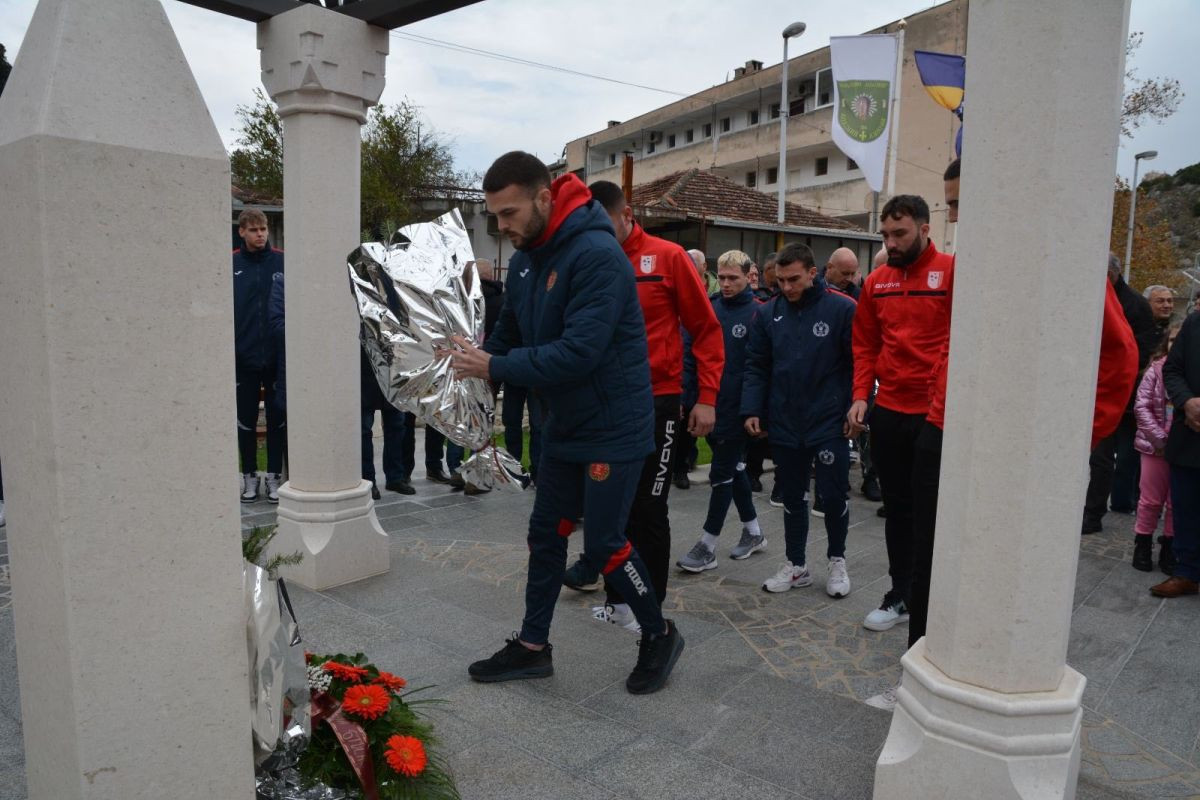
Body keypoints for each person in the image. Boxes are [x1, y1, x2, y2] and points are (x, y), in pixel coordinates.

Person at [866, 159, 1138, 712]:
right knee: (929, 557)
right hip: (941, 429)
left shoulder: (1056, 251)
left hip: (1007, 445)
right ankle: (919, 678)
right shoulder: (969, 262)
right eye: (954, 204)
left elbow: (1118, 354)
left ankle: (970, 681)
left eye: (965, 203)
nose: (958, 216)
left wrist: (1071, 440)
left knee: (989, 565)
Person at [450, 151, 683, 694]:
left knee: (602, 545)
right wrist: (476, 363)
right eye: (495, 217)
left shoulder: (598, 255)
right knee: (544, 535)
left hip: (613, 425)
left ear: (543, 198)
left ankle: (659, 633)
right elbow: (511, 328)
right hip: (563, 426)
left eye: (508, 214)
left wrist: (496, 365)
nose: (502, 228)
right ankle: (532, 647)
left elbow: (579, 352)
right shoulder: (531, 257)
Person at [563, 180, 723, 633]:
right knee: (610, 508)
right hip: (605, 404)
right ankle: (619, 600)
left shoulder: (668, 258)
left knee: (649, 508)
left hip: (658, 401)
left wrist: (707, 398)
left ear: (626, 214)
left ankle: (650, 607)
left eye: (601, 222)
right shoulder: (591, 261)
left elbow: (706, 330)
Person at [847, 195, 954, 632]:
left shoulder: (951, 271)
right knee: (897, 509)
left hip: (934, 416)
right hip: (889, 410)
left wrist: (939, 404)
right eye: (886, 235)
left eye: (900, 233)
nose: (891, 242)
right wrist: (859, 395)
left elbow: (956, 341)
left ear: (925, 229)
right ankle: (900, 593)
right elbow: (865, 344)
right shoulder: (876, 282)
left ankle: (933, 601)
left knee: (932, 515)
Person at [743, 242, 855, 596]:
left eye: (794, 280)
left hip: (829, 420)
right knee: (792, 496)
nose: (787, 288)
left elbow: (860, 362)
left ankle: (837, 560)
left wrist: (858, 405)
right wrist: (752, 408)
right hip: (785, 420)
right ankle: (796, 564)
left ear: (812, 272)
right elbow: (757, 365)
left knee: (833, 494)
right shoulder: (767, 313)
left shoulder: (843, 309)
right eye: (780, 282)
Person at [676, 250, 767, 572]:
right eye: (723, 277)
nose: (726, 284)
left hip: (738, 411)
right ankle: (754, 532)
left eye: (733, 278)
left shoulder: (760, 314)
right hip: (705, 407)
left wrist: (755, 411)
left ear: (749, 277)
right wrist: (688, 400)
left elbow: (762, 368)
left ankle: (707, 545)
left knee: (720, 474)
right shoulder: (708, 308)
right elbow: (689, 356)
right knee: (735, 469)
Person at [1083, 254, 1160, 531]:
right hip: (1103, 389)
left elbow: (1137, 351)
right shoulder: (1101, 295)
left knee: (1115, 458)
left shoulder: (1134, 304)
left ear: (1112, 274)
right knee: (1100, 457)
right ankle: (1092, 510)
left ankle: (1096, 514)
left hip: (1122, 394)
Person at [233, 209, 285, 503]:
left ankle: (274, 478)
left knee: (278, 420)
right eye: (253, 230)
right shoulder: (232, 263)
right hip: (244, 359)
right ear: (242, 232)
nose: (260, 234)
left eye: (263, 229)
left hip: (277, 359)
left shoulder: (281, 260)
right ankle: (249, 477)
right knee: (246, 422)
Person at [1153, 309, 1200, 597]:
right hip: (1190, 436)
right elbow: (1172, 370)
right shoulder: (1195, 322)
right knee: (1185, 508)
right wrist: (1186, 401)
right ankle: (1187, 573)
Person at [1133, 325, 1180, 572]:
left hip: (1182, 450)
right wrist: (1160, 440)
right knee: (1150, 500)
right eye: (1172, 340)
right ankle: (1142, 543)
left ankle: (1169, 548)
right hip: (1155, 448)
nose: (1176, 344)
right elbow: (1141, 406)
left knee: (1176, 502)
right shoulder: (1156, 370)